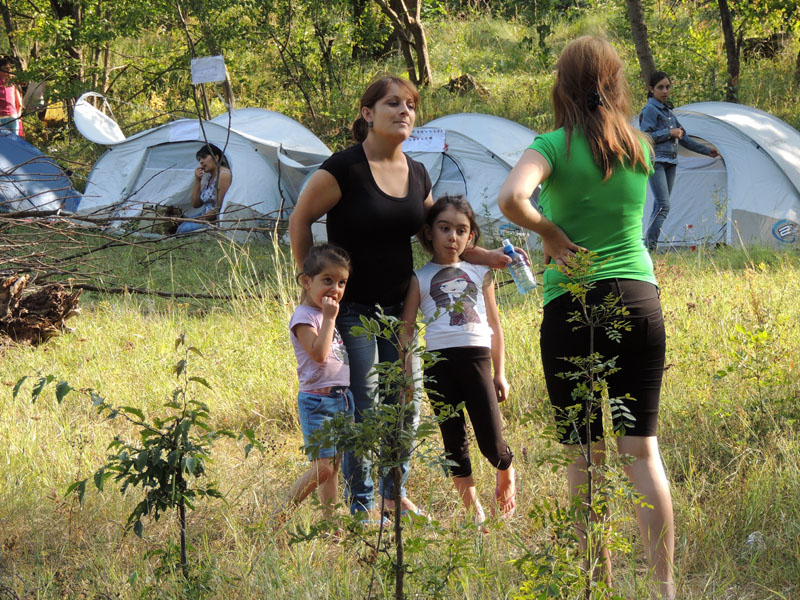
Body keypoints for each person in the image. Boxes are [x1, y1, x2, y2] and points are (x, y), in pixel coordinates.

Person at [498, 36, 675, 599]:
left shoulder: (551, 144)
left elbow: (511, 198)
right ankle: (663, 588)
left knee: (585, 453)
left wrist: (549, 233)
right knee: (642, 452)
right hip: (638, 298)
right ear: (615, 82)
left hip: (573, 304)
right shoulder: (639, 146)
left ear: (562, 84)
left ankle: (592, 583)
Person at [288, 76, 511, 522]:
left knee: (406, 406)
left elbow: (437, 230)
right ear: (368, 113)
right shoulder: (344, 170)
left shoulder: (417, 173)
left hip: (400, 310)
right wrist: (309, 286)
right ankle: (362, 504)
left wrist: (484, 254)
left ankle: (394, 494)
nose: (404, 111)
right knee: (364, 407)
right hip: (351, 311)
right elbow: (300, 219)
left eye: (410, 104)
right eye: (393, 103)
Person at [400, 195, 515, 527]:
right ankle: (473, 511)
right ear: (429, 233)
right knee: (454, 442)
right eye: (445, 228)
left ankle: (506, 471)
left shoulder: (481, 270)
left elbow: (494, 324)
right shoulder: (419, 278)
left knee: (491, 441)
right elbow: (407, 329)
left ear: (471, 237)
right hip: (439, 364)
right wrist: (410, 377)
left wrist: (500, 373)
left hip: (477, 358)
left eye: (461, 230)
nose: (453, 237)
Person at [283, 243, 354, 519]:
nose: (335, 289)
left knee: (333, 466)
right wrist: (328, 319)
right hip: (318, 400)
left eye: (341, 282)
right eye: (327, 280)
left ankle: (330, 521)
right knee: (322, 466)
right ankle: (282, 513)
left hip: (340, 398)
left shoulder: (326, 315)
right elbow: (319, 354)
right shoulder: (304, 317)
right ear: (306, 281)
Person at [640, 70, 719, 251]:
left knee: (660, 207)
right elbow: (645, 137)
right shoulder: (650, 110)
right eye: (660, 87)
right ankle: (649, 248)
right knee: (663, 205)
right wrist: (669, 133)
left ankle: (647, 246)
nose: (665, 91)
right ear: (651, 89)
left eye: (667, 87)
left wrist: (707, 151)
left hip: (671, 162)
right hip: (657, 161)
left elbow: (685, 138)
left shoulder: (669, 112)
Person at [176, 143, 232, 234]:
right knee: (181, 224)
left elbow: (220, 208)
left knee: (182, 229)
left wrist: (201, 219)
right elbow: (196, 204)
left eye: (204, 157)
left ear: (216, 158)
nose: (201, 161)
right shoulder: (209, 176)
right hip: (205, 215)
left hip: (214, 220)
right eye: (200, 159)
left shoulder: (223, 175)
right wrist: (197, 180)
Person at [0, 56, 23, 137]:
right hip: (10, 117)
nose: (8, 71)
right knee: (14, 144)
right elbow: (19, 103)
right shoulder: (12, 82)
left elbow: (19, 103)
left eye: (9, 68)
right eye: (5, 69)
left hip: (12, 118)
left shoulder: (12, 82)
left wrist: (18, 117)